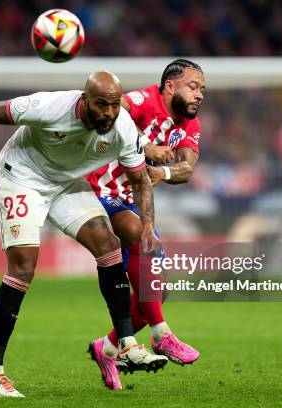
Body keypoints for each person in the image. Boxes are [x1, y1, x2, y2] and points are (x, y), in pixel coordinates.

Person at [0, 71, 168, 398]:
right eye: (101, 104)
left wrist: (149, 226)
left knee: (108, 244)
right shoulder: (51, 106)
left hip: (66, 184)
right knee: (24, 267)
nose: (109, 112)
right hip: (22, 178)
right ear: (84, 100)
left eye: (114, 104)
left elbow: (141, 182)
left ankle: (126, 344)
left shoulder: (122, 126)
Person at [86, 59, 205, 390]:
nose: (199, 95)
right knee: (142, 239)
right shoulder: (143, 100)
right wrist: (145, 145)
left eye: (202, 90)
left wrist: (162, 172)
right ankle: (161, 335)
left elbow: (187, 168)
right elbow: (111, 112)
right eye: (193, 86)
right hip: (96, 188)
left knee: (156, 290)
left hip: (127, 198)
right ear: (170, 86)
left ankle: (106, 348)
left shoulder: (189, 125)